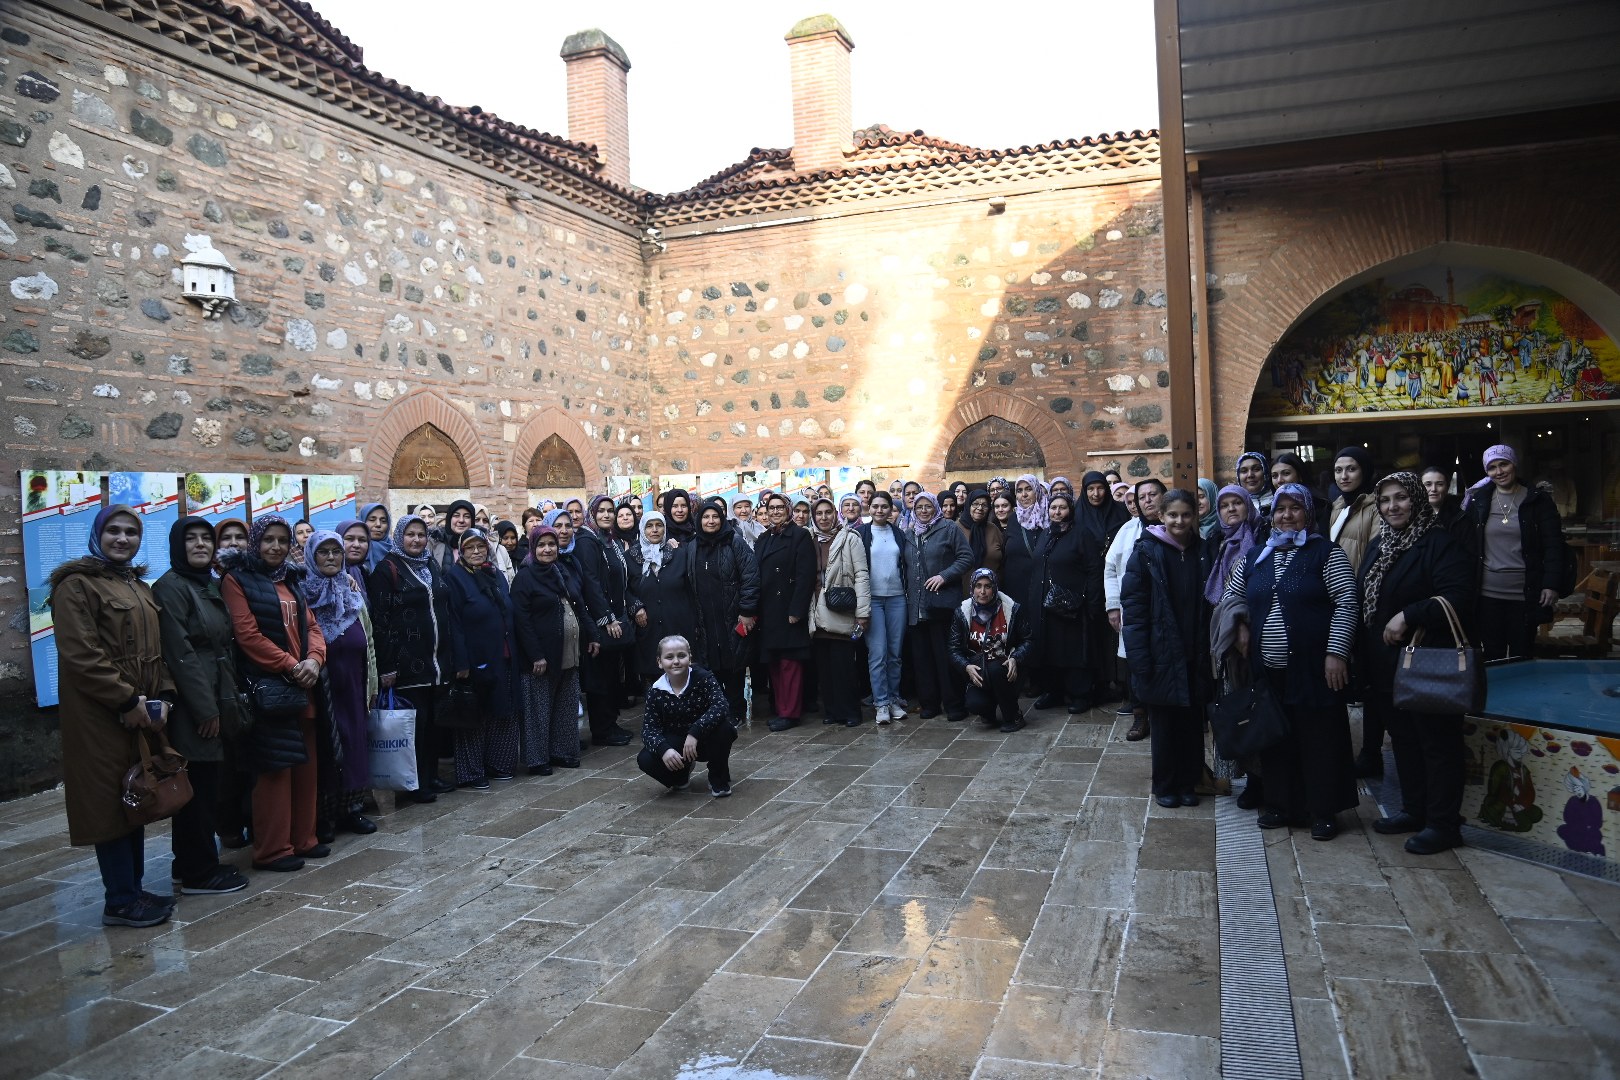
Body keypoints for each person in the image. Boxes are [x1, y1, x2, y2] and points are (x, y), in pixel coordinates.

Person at [52, 505, 179, 926]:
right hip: (100, 715)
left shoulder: (138, 587)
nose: (122, 539)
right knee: (110, 802)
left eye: (131, 532)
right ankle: (120, 900)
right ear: (98, 534)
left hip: (138, 711)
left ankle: (135, 888)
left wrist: (160, 697)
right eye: (114, 531)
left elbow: (154, 651)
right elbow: (82, 655)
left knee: (136, 795)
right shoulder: (76, 586)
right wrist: (126, 701)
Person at [1225, 483, 1360, 840]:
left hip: (1315, 667)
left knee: (1318, 738)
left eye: (1294, 508)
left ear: (1307, 514)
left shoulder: (1326, 554)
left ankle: (1323, 810)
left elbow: (1347, 602)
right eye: (1280, 509)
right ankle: (1281, 803)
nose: (1286, 515)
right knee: (1276, 737)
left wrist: (1336, 653)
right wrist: (1239, 622)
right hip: (1266, 669)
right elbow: (1231, 594)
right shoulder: (1256, 556)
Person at [1357, 471, 1474, 855]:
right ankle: (1414, 809)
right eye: (1386, 500)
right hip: (1386, 667)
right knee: (1404, 741)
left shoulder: (1439, 543)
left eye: (1401, 498)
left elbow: (1459, 595)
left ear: (1417, 501)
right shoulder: (1379, 545)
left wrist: (1410, 614)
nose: (1393, 507)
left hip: (1427, 664)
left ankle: (1443, 825)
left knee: (1437, 744)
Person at [220, 515, 328, 872]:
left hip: (305, 683)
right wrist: (290, 665)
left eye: (283, 540)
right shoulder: (237, 580)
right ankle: (272, 849)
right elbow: (247, 635)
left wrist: (314, 659)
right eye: (269, 540)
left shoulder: (292, 579)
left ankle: (304, 838)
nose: (277, 547)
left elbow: (312, 625)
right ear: (256, 542)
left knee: (306, 766)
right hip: (270, 687)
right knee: (274, 770)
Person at [151, 516, 251, 895]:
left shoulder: (205, 584)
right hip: (198, 702)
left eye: (205, 540)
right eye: (190, 539)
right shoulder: (171, 588)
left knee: (208, 784)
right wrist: (204, 708)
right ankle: (198, 872)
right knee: (197, 789)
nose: (199, 545)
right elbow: (181, 653)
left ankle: (189, 863)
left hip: (217, 690)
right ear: (178, 545)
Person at [1122, 489, 1214, 808]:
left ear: (1195, 517)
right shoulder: (1146, 551)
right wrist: (1139, 659)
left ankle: (1189, 782)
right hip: (1160, 651)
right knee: (1164, 726)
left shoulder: (1202, 551)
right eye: (1172, 515)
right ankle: (1165, 785)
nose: (1179, 520)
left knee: (1191, 722)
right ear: (1161, 516)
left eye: (1185, 515)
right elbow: (1133, 609)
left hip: (1194, 650)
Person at [366, 514, 456, 803]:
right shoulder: (387, 569)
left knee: (431, 724)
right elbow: (380, 620)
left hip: (435, 662)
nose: (416, 540)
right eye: (410, 535)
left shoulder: (430, 565)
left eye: (421, 534)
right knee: (412, 727)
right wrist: (388, 665)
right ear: (399, 536)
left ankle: (429, 776)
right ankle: (412, 784)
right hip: (407, 664)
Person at [298, 528, 375, 837]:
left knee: (355, 745)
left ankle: (351, 810)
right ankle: (323, 816)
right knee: (327, 748)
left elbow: (368, 641)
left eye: (336, 552)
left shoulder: (352, 592)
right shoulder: (303, 592)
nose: (331, 558)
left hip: (353, 683)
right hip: (322, 687)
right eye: (323, 552)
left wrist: (372, 685)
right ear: (311, 556)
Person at [1460, 444, 1567, 661]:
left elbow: (1554, 544)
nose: (1499, 472)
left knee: (1523, 654)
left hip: (1524, 593)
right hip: (1487, 594)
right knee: (1492, 654)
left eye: (1503, 464)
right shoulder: (1479, 500)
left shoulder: (1537, 500)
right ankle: (1496, 696)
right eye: (1492, 467)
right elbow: (1467, 544)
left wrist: (1551, 583)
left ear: (1514, 464)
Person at [512, 525, 598, 774]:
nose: (547, 549)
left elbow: (578, 605)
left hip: (568, 653)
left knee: (565, 705)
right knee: (538, 709)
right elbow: (522, 621)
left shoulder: (560, 572)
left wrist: (591, 634)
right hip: (542, 657)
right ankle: (538, 759)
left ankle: (561, 751)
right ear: (532, 547)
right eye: (541, 545)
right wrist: (536, 655)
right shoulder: (525, 578)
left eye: (551, 544)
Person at [442, 528, 519, 790]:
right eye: (470, 548)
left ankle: (499, 764)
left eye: (481, 547)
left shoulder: (494, 574)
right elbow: (454, 622)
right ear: (461, 552)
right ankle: (472, 771)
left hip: (503, 654)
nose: (476, 552)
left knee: (501, 711)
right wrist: (461, 663)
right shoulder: (455, 577)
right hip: (476, 657)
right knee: (474, 715)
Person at [575, 496, 645, 747]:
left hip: (615, 615)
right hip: (601, 621)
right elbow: (591, 583)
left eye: (610, 511)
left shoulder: (609, 541)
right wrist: (607, 618)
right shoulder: (587, 541)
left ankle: (610, 723)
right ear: (592, 514)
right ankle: (602, 729)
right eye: (601, 511)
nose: (606, 515)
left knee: (611, 674)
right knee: (600, 677)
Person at [1028, 492, 1103, 713]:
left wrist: (1093, 601)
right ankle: (1054, 691)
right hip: (1045, 604)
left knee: (1072, 649)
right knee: (1050, 648)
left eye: (1062, 508)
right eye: (1053, 508)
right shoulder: (1045, 534)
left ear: (1070, 510)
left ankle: (1080, 694)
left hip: (1071, 605)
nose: (1057, 512)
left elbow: (1094, 569)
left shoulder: (1081, 534)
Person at [638, 636, 736, 797]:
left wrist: (695, 732)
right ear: (659, 662)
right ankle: (680, 776)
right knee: (646, 759)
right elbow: (648, 730)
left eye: (681, 656)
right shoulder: (655, 691)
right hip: (678, 743)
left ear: (690, 659)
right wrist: (664, 750)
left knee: (725, 729)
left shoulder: (704, 678)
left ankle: (718, 777)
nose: (676, 661)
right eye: (669, 657)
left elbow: (721, 706)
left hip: (705, 739)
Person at [905, 492, 974, 721]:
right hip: (916, 608)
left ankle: (954, 705)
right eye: (919, 507)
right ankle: (929, 705)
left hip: (941, 605)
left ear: (935, 507)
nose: (923, 511)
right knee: (922, 660)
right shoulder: (909, 533)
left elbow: (966, 558)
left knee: (945, 658)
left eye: (928, 506)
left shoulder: (949, 528)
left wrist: (944, 576)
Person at [690, 502, 760, 721]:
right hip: (705, 617)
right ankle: (717, 710)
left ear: (722, 519)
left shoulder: (734, 542)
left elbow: (750, 576)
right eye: (706, 517)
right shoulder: (693, 547)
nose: (711, 521)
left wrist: (747, 609)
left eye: (715, 517)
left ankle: (736, 710)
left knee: (734, 663)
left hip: (732, 614)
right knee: (711, 661)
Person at [1106, 479, 1164, 739]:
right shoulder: (1127, 530)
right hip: (1134, 609)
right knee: (1136, 662)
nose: (1148, 500)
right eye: (1143, 497)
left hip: (1165, 609)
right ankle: (1140, 716)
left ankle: (1163, 714)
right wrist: (1113, 606)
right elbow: (1110, 568)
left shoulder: (1175, 526)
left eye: (1154, 495)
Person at [754, 492, 817, 730]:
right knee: (774, 663)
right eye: (771, 508)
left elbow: (805, 576)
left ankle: (790, 713)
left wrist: (797, 610)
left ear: (788, 510)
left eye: (781, 507)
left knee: (790, 665)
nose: (776, 512)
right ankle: (781, 709)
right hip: (768, 611)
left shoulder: (800, 536)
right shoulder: (763, 538)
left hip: (788, 610)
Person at [809, 497, 871, 728]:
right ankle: (832, 710)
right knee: (824, 666)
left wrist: (863, 613)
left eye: (828, 513)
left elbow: (862, 574)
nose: (823, 518)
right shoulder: (810, 539)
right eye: (819, 513)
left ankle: (851, 711)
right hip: (816, 609)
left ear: (835, 514)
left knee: (844, 665)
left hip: (842, 608)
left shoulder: (849, 538)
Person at [949, 568, 1033, 733]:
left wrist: (1016, 658)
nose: (982, 591)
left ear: (995, 588)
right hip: (980, 673)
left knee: (995, 669)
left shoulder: (1011, 608)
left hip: (1008, 671)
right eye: (978, 586)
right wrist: (966, 666)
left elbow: (1028, 640)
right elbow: (953, 649)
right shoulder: (962, 612)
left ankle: (1013, 716)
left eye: (987, 586)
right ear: (972, 588)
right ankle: (988, 712)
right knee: (975, 704)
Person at [1076, 472, 1130, 700]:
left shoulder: (1120, 512)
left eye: (1100, 488)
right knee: (1093, 631)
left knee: (1118, 630)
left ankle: (1122, 680)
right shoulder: (1078, 514)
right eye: (1090, 489)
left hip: (1118, 579)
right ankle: (1099, 681)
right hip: (1089, 583)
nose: (1095, 494)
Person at [858, 491, 910, 725]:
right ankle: (880, 703)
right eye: (875, 506)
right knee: (877, 653)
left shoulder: (899, 534)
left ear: (891, 509)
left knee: (895, 653)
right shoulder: (860, 534)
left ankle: (893, 699)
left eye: (884, 507)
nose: (880, 511)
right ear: (869, 509)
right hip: (874, 600)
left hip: (897, 598)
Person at [633, 511, 699, 684]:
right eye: (649, 526)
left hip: (678, 624)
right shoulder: (631, 557)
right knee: (655, 681)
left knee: (681, 677)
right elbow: (625, 589)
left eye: (659, 525)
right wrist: (636, 606)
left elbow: (691, 588)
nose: (654, 530)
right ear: (642, 529)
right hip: (649, 628)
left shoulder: (678, 554)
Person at [1329, 446, 1380, 575]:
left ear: (1365, 471)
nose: (1344, 476)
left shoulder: (1376, 507)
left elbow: (1375, 556)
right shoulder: (1335, 506)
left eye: (1351, 469)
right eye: (1338, 470)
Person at [958, 489, 1004, 592]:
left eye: (984, 505)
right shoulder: (955, 529)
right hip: (962, 593)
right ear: (968, 505)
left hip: (991, 593)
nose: (980, 508)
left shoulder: (994, 529)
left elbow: (1004, 562)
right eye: (975, 504)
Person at [430, 499, 477, 575]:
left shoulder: (482, 543)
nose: (461, 520)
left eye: (467, 516)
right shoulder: (434, 541)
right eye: (456, 515)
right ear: (449, 519)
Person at [1420, 466, 1466, 533]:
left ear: (1447, 487)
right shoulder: (1410, 516)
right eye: (1428, 484)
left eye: (1440, 484)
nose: (1433, 489)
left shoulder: (1460, 518)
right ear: (1420, 487)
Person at [357, 502, 392, 571]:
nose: (378, 524)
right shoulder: (354, 549)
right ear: (362, 521)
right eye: (372, 520)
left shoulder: (396, 551)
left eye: (383, 521)